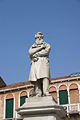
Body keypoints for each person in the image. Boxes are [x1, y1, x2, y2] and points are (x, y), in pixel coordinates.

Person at [29, 32, 51, 97]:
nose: (39, 38)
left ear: (42, 38)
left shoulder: (47, 45)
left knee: (45, 77)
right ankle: (38, 92)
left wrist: (36, 54)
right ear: (35, 38)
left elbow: (46, 51)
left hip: (44, 61)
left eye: (40, 37)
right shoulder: (32, 46)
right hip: (36, 63)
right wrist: (40, 48)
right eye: (37, 37)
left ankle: (46, 92)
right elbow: (30, 52)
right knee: (37, 78)